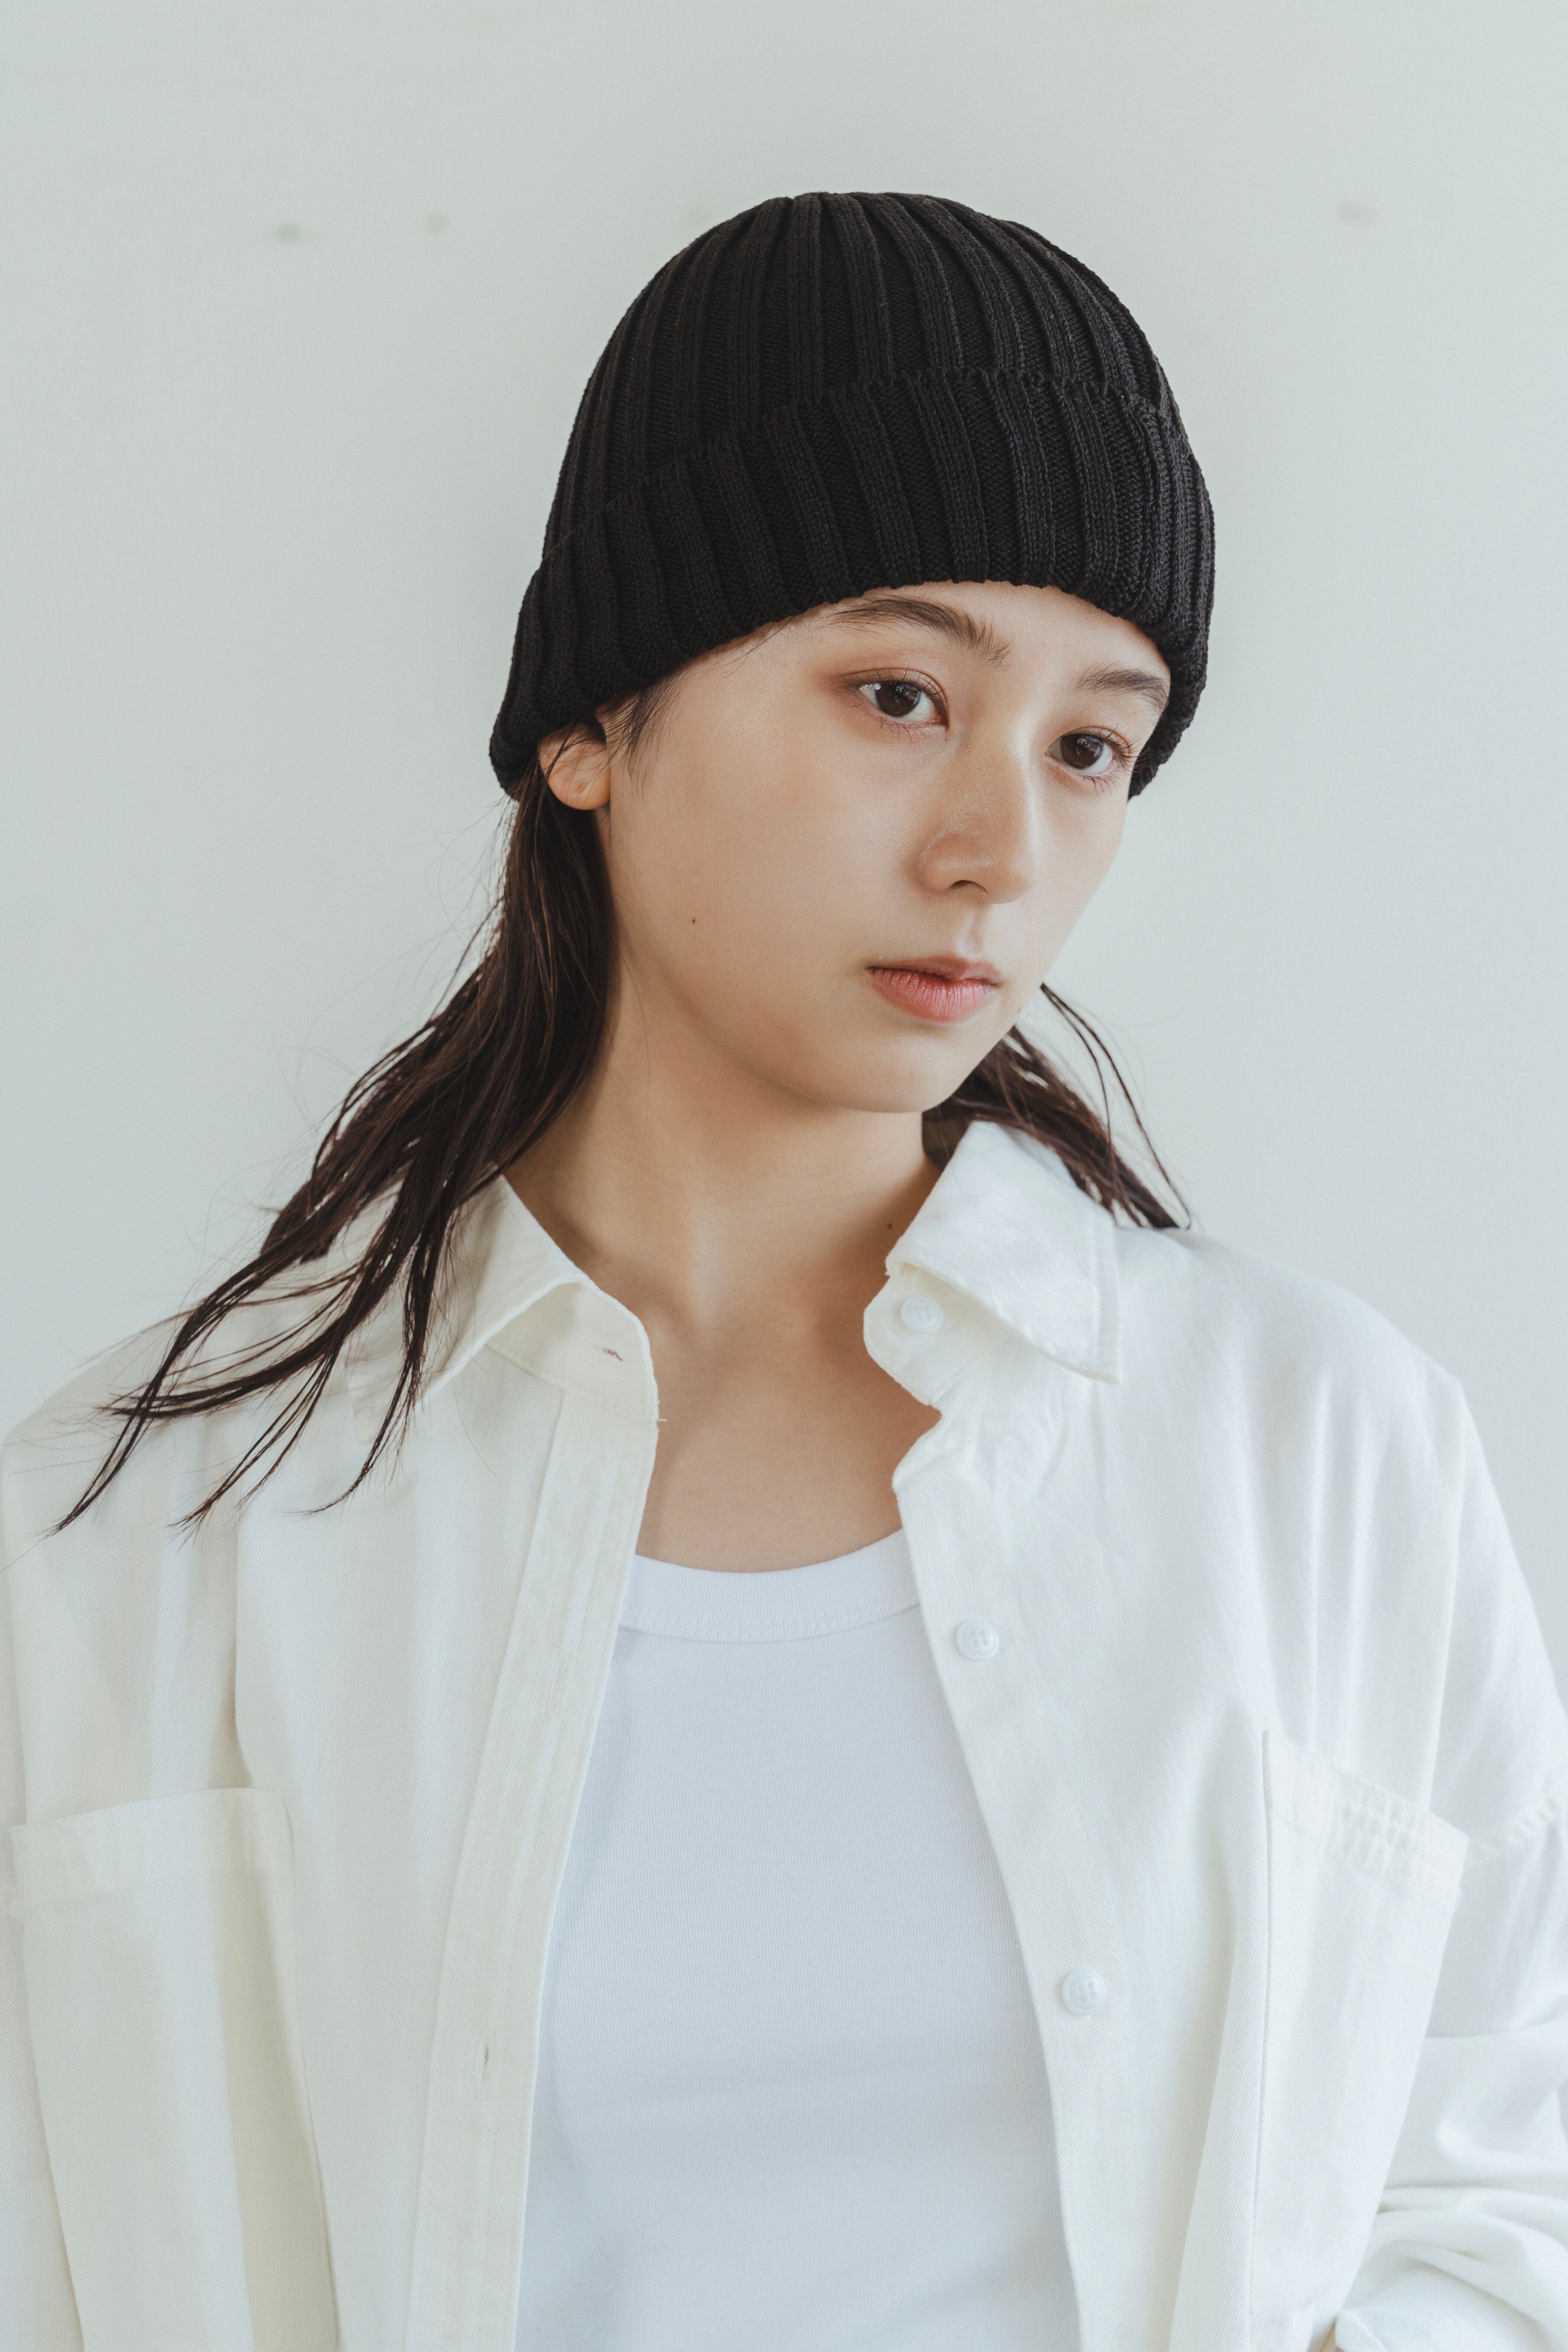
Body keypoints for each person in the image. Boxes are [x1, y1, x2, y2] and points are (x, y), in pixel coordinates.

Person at [3, 190, 1565, 2352]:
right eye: (898, 693)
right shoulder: (140, 1525)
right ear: (593, 721)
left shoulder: (1318, 1446)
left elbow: (1507, 2191)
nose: (999, 849)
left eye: (1090, 744)